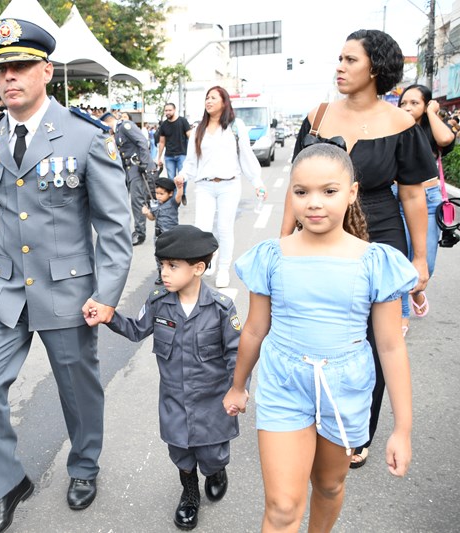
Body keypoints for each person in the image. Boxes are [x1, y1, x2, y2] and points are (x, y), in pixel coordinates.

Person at [0, 18, 132, 533]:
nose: (9, 78)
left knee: (77, 388)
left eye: (20, 67)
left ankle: (84, 465)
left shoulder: (85, 137)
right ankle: (7, 482)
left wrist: (106, 293)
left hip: (68, 287)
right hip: (5, 286)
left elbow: (115, 226)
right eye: (1, 70)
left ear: (45, 71)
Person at [225, 143, 415, 531]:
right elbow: (256, 328)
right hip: (284, 382)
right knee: (281, 507)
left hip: (346, 387)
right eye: (301, 192)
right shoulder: (271, 256)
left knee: (329, 486)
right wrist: (238, 385)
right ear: (290, 194)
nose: (314, 203)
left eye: (328, 191)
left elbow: (391, 347)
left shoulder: (376, 261)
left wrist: (402, 429)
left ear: (352, 193)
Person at [280, 30, 435, 470]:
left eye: (350, 60)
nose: (340, 67)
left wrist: (419, 258)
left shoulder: (401, 124)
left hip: (380, 234)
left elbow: (411, 196)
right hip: (315, 234)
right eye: (340, 58)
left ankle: (357, 429)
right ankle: (309, 415)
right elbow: (296, 187)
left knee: (374, 338)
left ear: (375, 68)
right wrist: (283, 242)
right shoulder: (319, 116)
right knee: (312, 325)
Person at [105, 225, 241, 530]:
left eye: (172, 266)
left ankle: (216, 471)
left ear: (198, 268)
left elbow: (235, 352)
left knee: (213, 454)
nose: (164, 273)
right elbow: (136, 329)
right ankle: (189, 492)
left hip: (211, 402)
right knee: (180, 452)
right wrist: (109, 316)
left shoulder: (220, 308)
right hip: (174, 399)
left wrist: (237, 388)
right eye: (162, 265)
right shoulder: (158, 302)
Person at [178, 86, 265, 289]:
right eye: (207, 98)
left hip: (229, 185)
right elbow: (191, 162)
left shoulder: (235, 127)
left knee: (225, 228)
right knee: (202, 229)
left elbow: (245, 155)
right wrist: (182, 175)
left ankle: (224, 269)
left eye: (213, 98)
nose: (208, 101)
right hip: (204, 186)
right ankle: (208, 260)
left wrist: (257, 182)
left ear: (224, 102)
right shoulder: (199, 129)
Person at [394, 84, 455, 332]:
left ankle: (417, 292)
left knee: (425, 265)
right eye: (404, 103)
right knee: (400, 258)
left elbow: (446, 139)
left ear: (427, 104)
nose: (407, 107)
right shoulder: (394, 127)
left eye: (415, 103)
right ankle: (402, 315)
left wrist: (432, 113)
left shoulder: (431, 130)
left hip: (429, 199)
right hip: (397, 197)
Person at [101, 112, 153, 246]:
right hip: (128, 169)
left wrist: (145, 164)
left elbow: (142, 142)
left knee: (137, 201)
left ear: (107, 122)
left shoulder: (125, 126)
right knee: (123, 200)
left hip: (137, 167)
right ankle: (127, 232)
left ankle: (140, 233)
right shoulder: (117, 132)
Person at [142, 177, 183, 284]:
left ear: (170, 193)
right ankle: (161, 274)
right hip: (158, 236)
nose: (158, 196)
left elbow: (179, 196)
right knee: (159, 256)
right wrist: (147, 213)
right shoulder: (155, 204)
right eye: (157, 193)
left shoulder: (173, 202)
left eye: (161, 194)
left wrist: (180, 187)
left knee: (172, 255)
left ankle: (175, 273)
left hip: (171, 235)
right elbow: (152, 217)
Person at [156, 103, 192, 202]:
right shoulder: (164, 125)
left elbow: (190, 137)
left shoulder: (183, 121)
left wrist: (193, 153)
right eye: (166, 110)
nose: (167, 112)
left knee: (183, 177)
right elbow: (162, 142)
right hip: (169, 156)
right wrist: (159, 157)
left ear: (174, 110)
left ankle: (183, 194)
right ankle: (175, 198)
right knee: (171, 178)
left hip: (182, 154)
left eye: (169, 110)